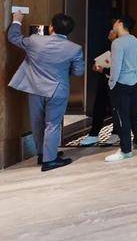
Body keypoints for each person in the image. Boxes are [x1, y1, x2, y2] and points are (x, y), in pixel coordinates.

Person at [7, 12, 84, 171]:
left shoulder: (35, 41)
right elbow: (78, 72)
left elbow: (13, 37)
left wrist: (17, 21)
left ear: (51, 27)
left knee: (37, 123)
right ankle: (50, 160)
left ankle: (43, 154)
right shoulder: (74, 49)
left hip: (35, 89)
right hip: (57, 90)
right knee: (52, 124)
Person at [105, 15, 137, 162]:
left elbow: (116, 66)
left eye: (115, 22)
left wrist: (111, 83)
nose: (113, 25)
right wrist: (135, 72)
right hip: (134, 81)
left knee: (122, 117)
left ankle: (125, 150)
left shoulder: (117, 43)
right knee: (135, 112)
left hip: (121, 83)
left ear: (120, 24)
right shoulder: (136, 41)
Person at [79, 25, 120, 146]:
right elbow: (99, 61)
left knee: (116, 108)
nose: (110, 32)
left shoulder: (121, 46)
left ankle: (116, 133)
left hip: (117, 82)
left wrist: (104, 70)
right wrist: (97, 66)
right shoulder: (106, 45)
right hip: (104, 81)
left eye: (113, 31)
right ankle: (94, 134)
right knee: (99, 106)